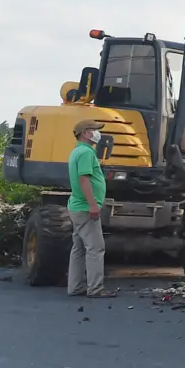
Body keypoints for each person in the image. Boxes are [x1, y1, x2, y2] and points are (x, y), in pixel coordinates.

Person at [68, 119, 116, 298]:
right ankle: (95, 288)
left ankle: (75, 286)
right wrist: (93, 205)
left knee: (79, 248)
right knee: (96, 248)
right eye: (94, 130)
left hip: (77, 206)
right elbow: (84, 180)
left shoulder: (77, 151)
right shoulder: (86, 153)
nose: (97, 133)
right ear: (85, 133)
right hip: (85, 208)